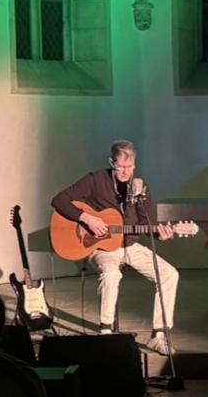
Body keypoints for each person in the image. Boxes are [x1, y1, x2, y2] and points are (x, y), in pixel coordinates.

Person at [51, 139, 179, 355]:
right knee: (111, 275)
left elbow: (146, 223)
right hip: (100, 248)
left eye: (129, 167)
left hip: (130, 245)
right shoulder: (96, 180)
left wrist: (160, 234)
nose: (125, 172)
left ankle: (158, 335)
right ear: (112, 162)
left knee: (169, 274)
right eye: (120, 167)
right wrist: (87, 218)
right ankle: (106, 333)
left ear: (135, 165)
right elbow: (59, 200)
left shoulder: (140, 186)